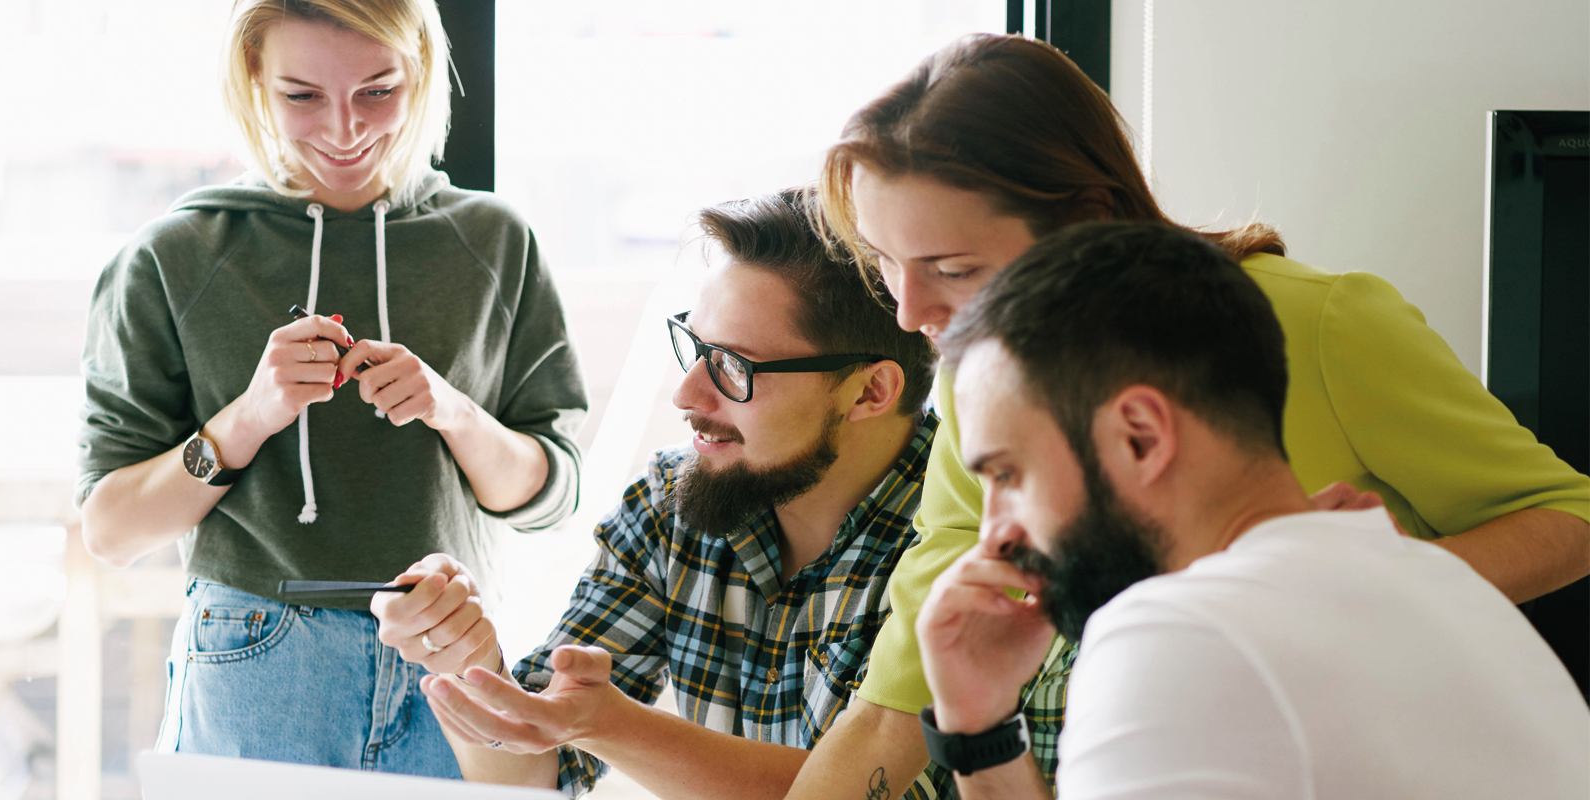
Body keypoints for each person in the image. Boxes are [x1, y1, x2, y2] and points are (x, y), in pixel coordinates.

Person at [785, 34, 1590, 797]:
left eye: (955, 269)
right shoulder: (989, 373)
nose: (909, 313)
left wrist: (1333, 590)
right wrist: (976, 728)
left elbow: (1569, 516)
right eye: (885, 264)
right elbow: (902, 690)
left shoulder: (1319, 330)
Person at [75, 0, 587, 779]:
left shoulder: (496, 242)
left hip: (452, 652)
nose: (345, 130)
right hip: (255, 656)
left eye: (378, 91)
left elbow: (551, 496)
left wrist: (450, 410)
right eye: (302, 95)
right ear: (253, 81)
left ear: (420, 73)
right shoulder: (171, 256)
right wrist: (250, 416)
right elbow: (111, 532)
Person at [916, 220, 1590, 797]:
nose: (995, 532)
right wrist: (978, 724)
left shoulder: (1179, 635)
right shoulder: (1446, 589)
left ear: (1140, 437)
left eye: (1006, 473)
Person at [370, 188, 947, 799]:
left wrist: (609, 725)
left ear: (870, 392)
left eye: (734, 366)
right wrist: (471, 663)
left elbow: (868, 791)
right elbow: (538, 775)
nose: (687, 394)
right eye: (696, 348)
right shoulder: (670, 505)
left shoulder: (967, 540)